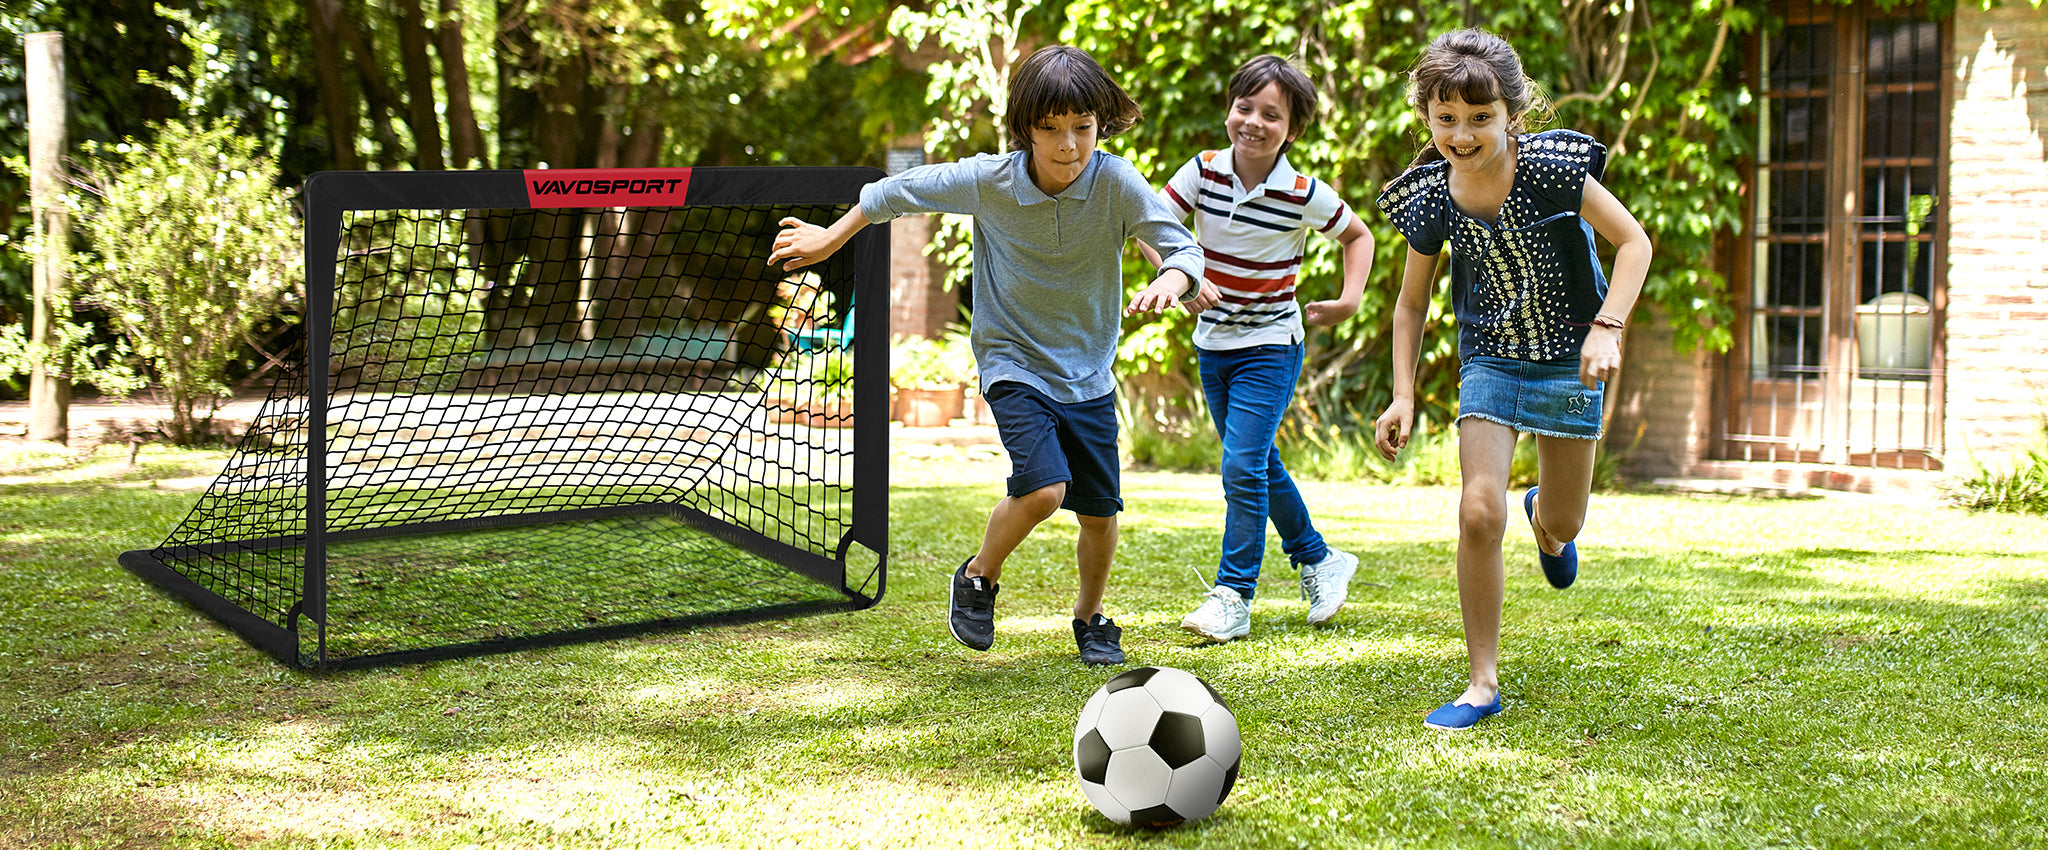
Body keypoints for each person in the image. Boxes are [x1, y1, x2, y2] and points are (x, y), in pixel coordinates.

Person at [768, 45, 1205, 666]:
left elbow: (1181, 247)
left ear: (1099, 124)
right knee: (1045, 490)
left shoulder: (1116, 182)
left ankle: (1090, 617)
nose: (1068, 146)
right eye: (1051, 129)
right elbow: (894, 192)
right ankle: (978, 575)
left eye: (1082, 128)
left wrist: (1175, 279)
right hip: (1013, 362)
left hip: (1088, 374)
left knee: (1100, 514)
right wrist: (831, 237)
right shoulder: (989, 180)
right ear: (1025, 127)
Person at [1371, 29, 1651, 729]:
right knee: (1477, 510)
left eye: (1480, 118)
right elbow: (1411, 304)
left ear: (1512, 113)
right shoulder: (1432, 198)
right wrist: (1403, 392)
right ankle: (1482, 683)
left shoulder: (1554, 169)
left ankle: (1548, 530)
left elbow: (1634, 244)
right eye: (1446, 120)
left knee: (1564, 517)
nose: (1462, 135)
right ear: (1427, 117)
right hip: (1490, 358)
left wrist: (1608, 327)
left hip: (1569, 354)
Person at [1138, 55, 1374, 642]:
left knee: (1242, 464)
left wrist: (1347, 301)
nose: (1254, 122)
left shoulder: (1301, 191)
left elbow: (1358, 235)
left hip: (1270, 344)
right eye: (1245, 108)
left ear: (1291, 130)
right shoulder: (1202, 171)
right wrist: (1178, 276)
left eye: (1271, 115)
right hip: (1214, 343)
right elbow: (1151, 224)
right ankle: (1320, 559)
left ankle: (1233, 595)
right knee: (1258, 461)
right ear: (1229, 111)